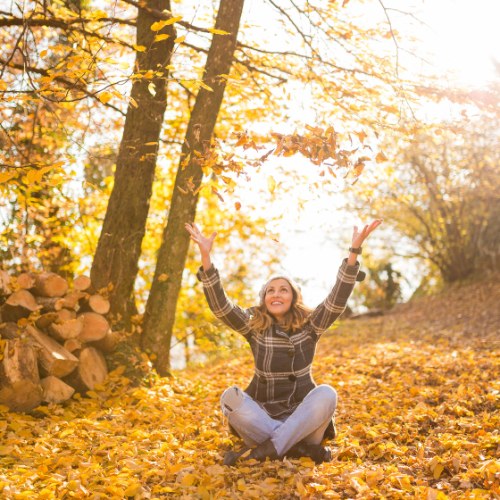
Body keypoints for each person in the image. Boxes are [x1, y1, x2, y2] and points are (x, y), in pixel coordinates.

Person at [185, 219, 382, 466]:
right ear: (264, 299)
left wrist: (354, 252)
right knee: (230, 397)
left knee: (327, 393)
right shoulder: (254, 325)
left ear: (293, 297)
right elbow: (221, 307)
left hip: (305, 421)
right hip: (263, 418)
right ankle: (295, 449)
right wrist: (206, 257)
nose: (276, 294)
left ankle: (266, 450)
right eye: (270, 290)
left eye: (283, 289)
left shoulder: (310, 326)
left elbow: (336, 300)